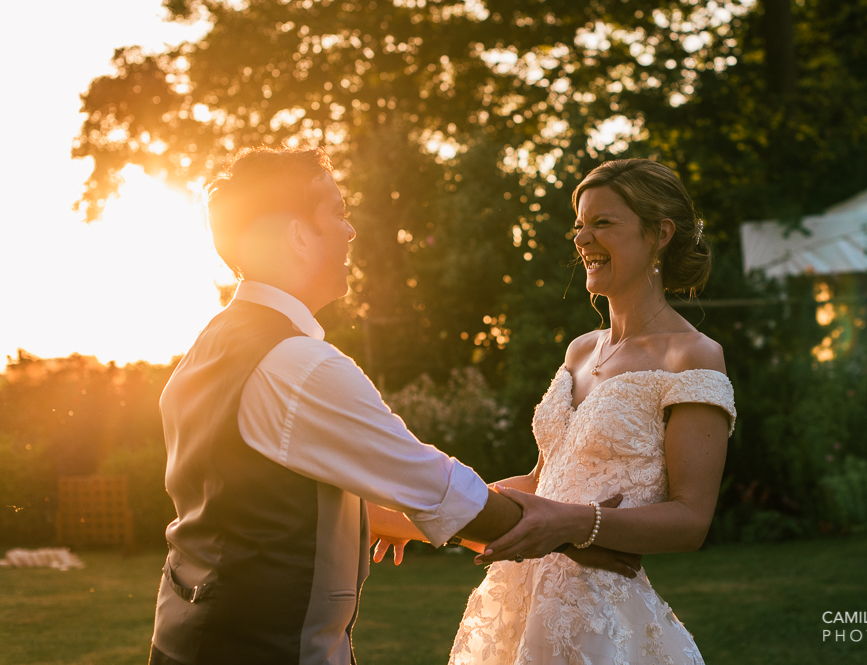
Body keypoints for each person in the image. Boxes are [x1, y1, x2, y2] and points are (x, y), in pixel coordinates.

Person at [150, 147, 540, 665]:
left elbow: (248, 492)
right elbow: (439, 488)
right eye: (336, 212)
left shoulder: (213, 341)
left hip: (186, 641)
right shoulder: (300, 364)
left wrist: (369, 516)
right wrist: (572, 526)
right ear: (297, 236)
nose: (350, 231)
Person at [448, 159, 737, 665]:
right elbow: (544, 481)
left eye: (603, 223)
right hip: (520, 604)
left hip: (604, 625)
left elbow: (691, 520)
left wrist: (573, 523)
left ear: (660, 234)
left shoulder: (691, 357)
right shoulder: (580, 350)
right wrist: (433, 506)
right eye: (579, 225)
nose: (582, 238)